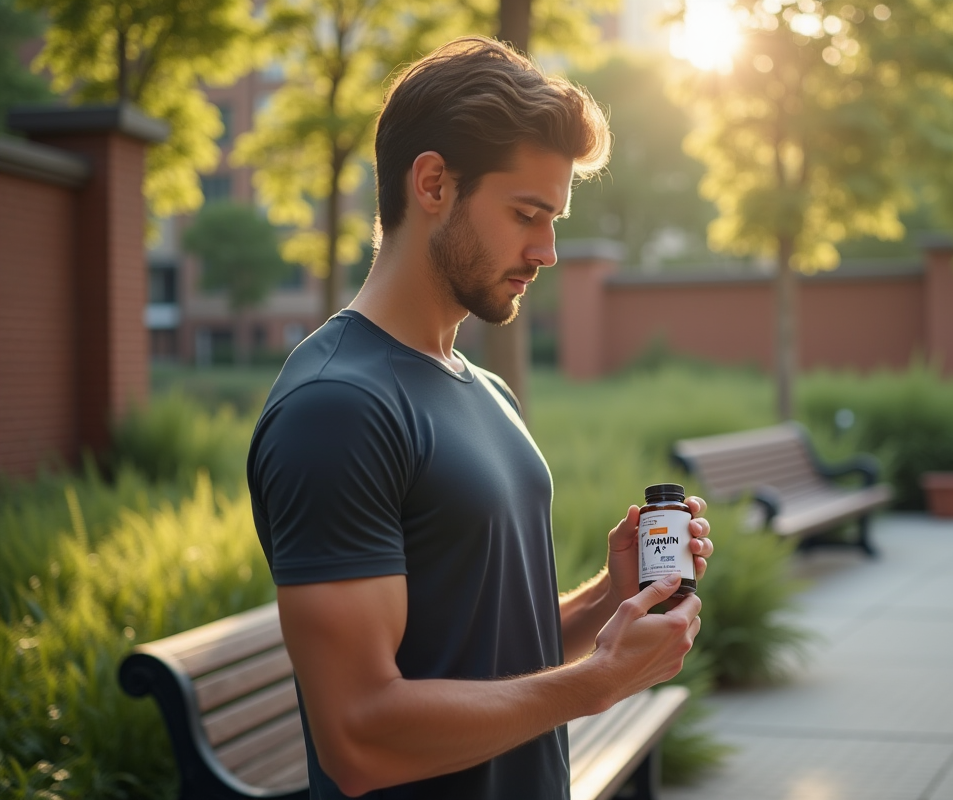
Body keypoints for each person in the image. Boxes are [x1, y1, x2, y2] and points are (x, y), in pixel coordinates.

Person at [247, 36, 714, 800]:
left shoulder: (485, 387)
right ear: (433, 182)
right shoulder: (336, 409)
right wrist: (596, 684)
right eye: (527, 214)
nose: (548, 250)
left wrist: (609, 595)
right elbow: (359, 737)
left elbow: (485, 648)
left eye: (554, 219)